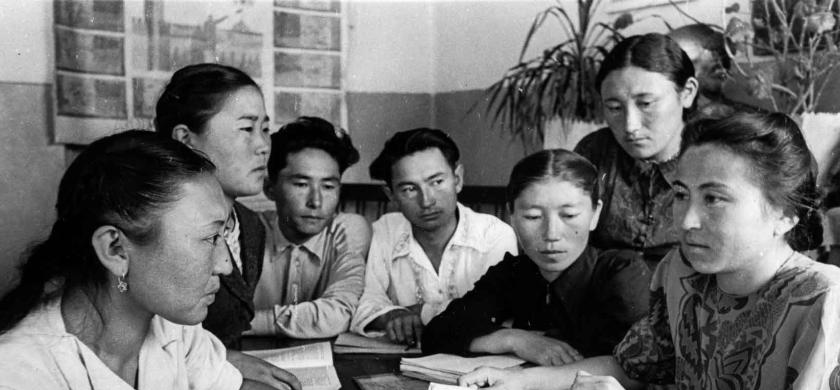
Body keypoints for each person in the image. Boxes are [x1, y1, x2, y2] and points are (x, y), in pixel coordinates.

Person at [0, 131, 400, 390]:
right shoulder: (18, 386)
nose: (226, 264)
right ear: (116, 249)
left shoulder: (166, 325)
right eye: (210, 239)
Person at [462, 112, 840, 390]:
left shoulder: (825, 301)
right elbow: (629, 367)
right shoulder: (681, 272)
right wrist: (522, 381)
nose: (686, 221)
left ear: (785, 214)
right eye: (680, 194)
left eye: (714, 198)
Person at [423, 149, 650, 364]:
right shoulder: (514, 272)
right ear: (512, 215)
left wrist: (523, 379)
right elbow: (436, 333)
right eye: (533, 217)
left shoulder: (622, 272)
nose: (551, 234)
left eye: (569, 215)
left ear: (595, 213)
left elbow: (632, 366)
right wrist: (515, 340)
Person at [351, 128, 518, 345]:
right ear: (391, 195)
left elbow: (497, 311)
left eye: (437, 182)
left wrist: (419, 312)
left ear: (457, 179)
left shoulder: (494, 234)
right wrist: (392, 316)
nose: (427, 201)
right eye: (410, 189)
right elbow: (364, 302)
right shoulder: (385, 231)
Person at [155, 63, 268, 350]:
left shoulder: (252, 226)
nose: (263, 145)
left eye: (265, 129)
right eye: (247, 128)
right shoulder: (158, 230)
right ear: (185, 140)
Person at [575, 33, 699, 268]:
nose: (630, 126)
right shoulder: (594, 152)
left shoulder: (719, 155)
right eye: (614, 107)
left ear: (687, 93)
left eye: (646, 104)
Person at [248, 117, 372, 338]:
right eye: (301, 184)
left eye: (328, 186)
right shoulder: (249, 229)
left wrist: (245, 324)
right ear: (270, 188)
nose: (316, 201)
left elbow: (337, 314)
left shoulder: (347, 230)